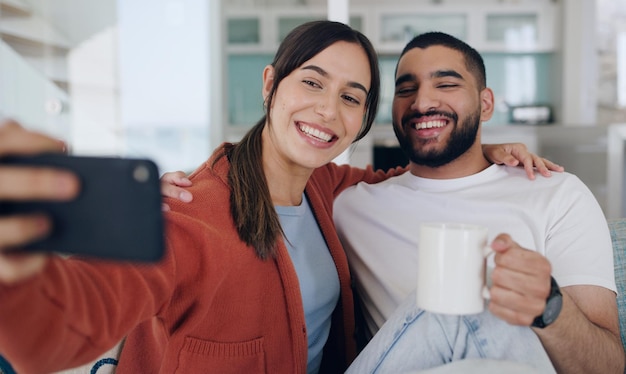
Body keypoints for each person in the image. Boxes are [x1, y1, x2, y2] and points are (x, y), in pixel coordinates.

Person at [0, 21, 558, 374]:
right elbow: (54, 337)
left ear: (363, 119)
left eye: (350, 97)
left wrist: (486, 151)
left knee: (474, 316)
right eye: (311, 83)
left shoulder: (328, 187)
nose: (326, 111)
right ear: (271, 84)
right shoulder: (190, 214)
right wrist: (15, 269)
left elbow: (404, 176)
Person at [331, 32, 624, 373]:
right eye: (406, 89)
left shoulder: (557, 194)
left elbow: (609, 367)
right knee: (459, 302)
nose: (422, 103)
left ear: (485, 104)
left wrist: (550, 309)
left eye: (446, 85)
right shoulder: (350, 206)